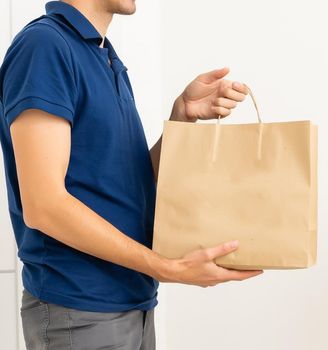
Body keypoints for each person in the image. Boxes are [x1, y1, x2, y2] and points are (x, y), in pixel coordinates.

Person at [0, 1, 262, 348]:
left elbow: (128, 182)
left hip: (132, 305)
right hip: (79, 311)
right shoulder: (45, 47)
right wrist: (165, 267)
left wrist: (181, 117)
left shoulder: (102, 54)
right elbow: (44, 205)